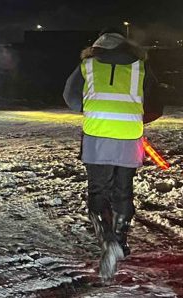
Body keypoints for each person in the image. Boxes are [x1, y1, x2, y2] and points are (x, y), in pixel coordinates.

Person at [62, 28, 163, 283]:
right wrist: (136, 118)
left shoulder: (88, 65)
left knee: (98, 191)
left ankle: (108, 242)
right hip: (129, 136)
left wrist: (92, 108)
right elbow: (156, 104)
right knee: (123, 190)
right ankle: (120, 241)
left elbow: (70, 96)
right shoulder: (140, 67)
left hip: (97, 136)